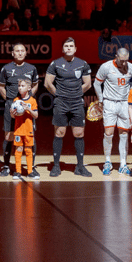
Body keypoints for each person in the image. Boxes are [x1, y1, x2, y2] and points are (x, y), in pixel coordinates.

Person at [44, 36, 93, 177]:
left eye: (71, 46)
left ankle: (80, 167)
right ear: (62, 49)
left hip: (77, 102)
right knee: (59, 133)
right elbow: (47, 83)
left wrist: (75, 94)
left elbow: (87, 84)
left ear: (75, 49)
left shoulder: (82, 64)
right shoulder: (55, 64)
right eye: (66, 46)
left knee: (79, 133)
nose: (69, 48)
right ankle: (56, 166)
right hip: (61, 103)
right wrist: (59, 94)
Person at [0, 43, 39, 177]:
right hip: (12, 103)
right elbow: (1, 86)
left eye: (22, 51)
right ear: (12, 53)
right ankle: (6, 166)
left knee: (29, 136)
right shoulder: (6, 68)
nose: (20, 53)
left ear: (26, 53)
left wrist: (28, 98)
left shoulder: (31, 68)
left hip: (27, 106)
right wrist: (11, 102)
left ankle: (31, 167)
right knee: (9, 135)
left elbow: (35, 84)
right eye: (17, 51)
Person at [94, 47, 132, 176]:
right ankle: (107, 161)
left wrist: (131, 97)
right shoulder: (106, 67)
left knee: (124, 133)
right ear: (116, 57)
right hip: (110, 102)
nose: (124, 63)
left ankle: (123, 163)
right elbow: (96, 83)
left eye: (126, 60)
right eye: (121, 60)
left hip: (124, 104)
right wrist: (101, 100)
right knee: (109, 132)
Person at [10, 78, 39, 181]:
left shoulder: (32, 101)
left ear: (29, 88)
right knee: (18, 150)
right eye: (19, 86)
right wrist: (12, 113)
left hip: (28, 130)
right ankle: (18, 171)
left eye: (22, 86)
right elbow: (13, 116)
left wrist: (29, 109)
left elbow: (36, 115)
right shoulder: (16, 100)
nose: (20, 88)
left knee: (28, 150)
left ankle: (30, 171)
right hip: (18, 130)